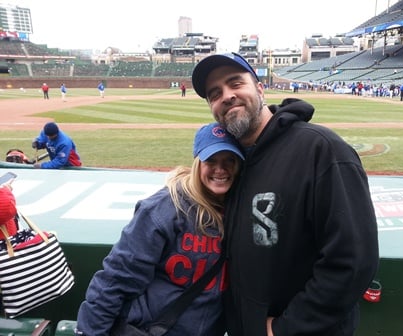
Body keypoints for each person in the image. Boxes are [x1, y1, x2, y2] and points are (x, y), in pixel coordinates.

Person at [192, 52, 379, 336]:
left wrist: (286, 328)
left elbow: (353, 261)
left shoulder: (321, 149)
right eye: (214, 94)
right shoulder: (234, 164)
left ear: (260, 88)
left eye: (235, 83)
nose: (227, 96)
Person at [75, 122, 244, 336]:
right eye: (211, 160)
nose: (220, 169)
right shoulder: (165, 208)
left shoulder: (240, 209)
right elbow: (116, 278)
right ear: (197, 163)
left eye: (229, 160)